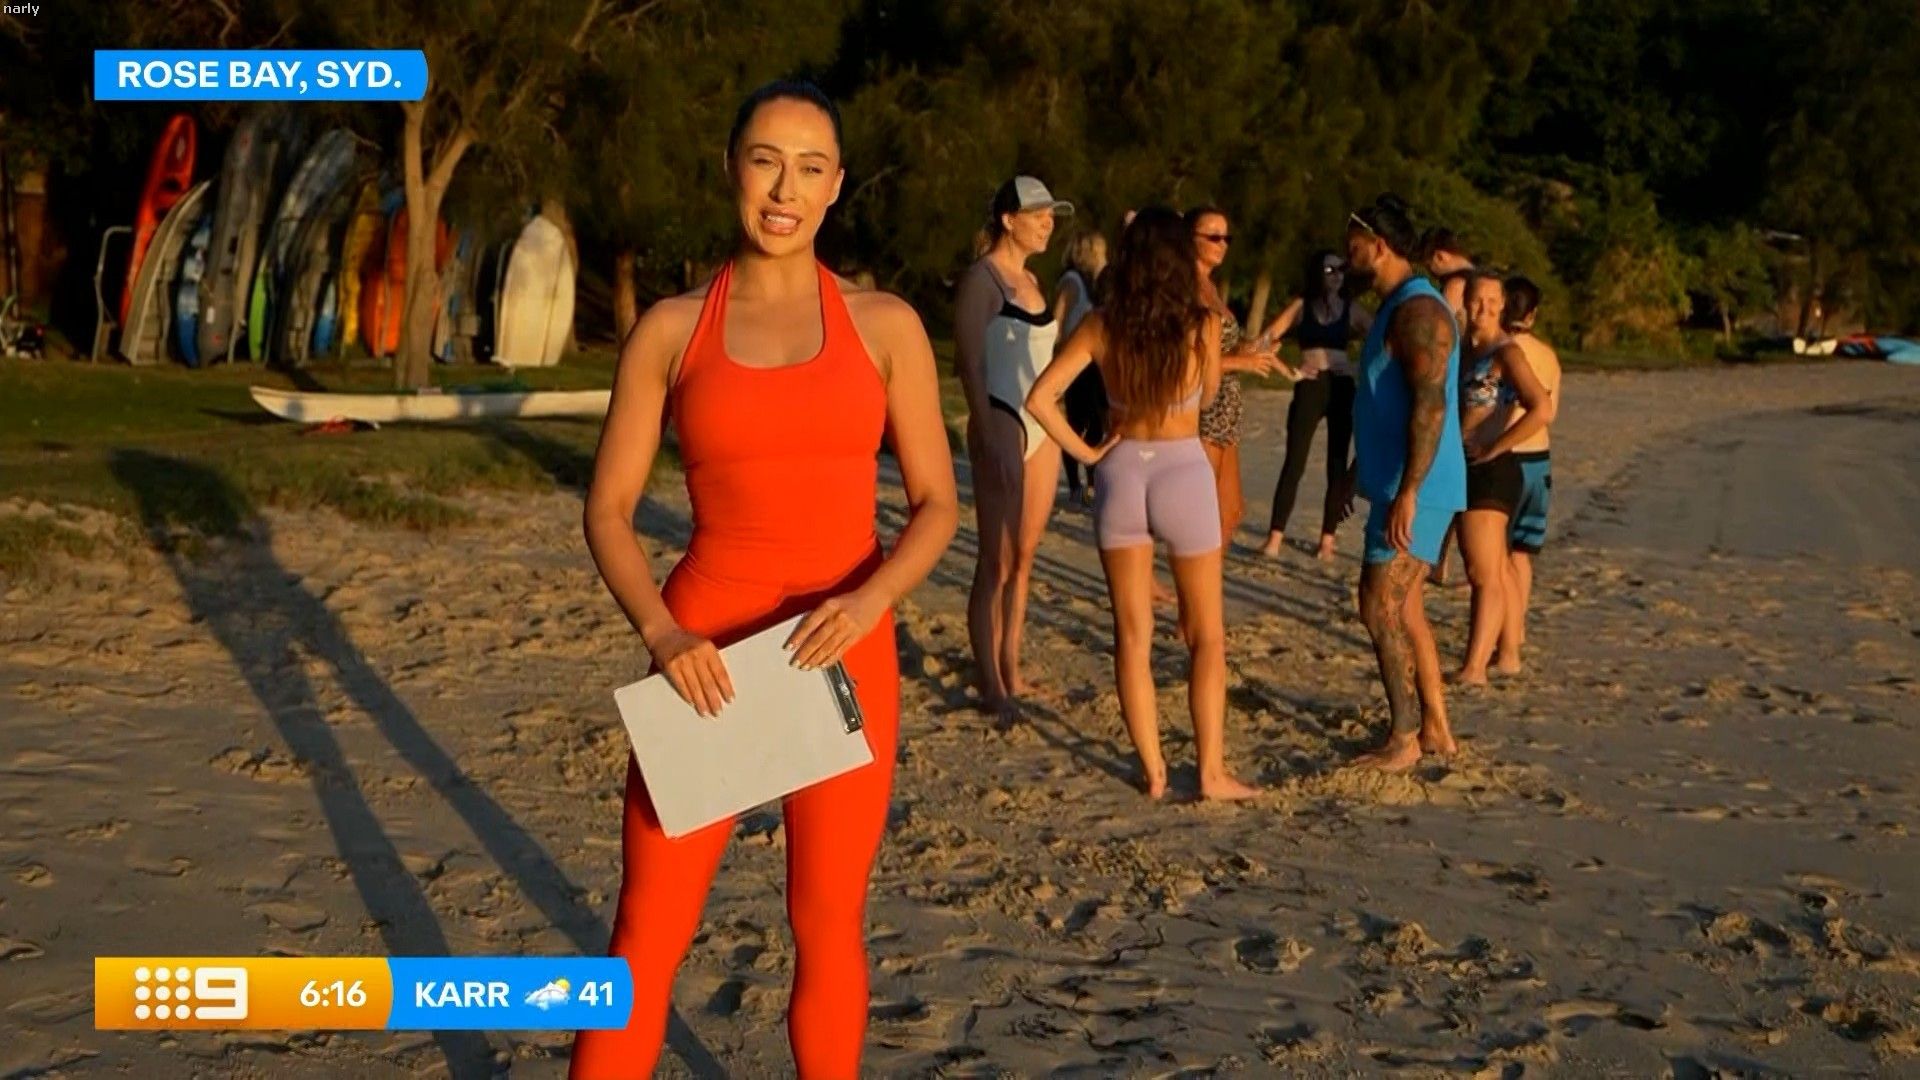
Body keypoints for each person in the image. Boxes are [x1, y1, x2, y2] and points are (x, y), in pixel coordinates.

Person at [572, 80, 959, 1078]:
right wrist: (663, 636)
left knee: (826, 923)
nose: (785, 190)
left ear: (836, 186)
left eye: (810, 168)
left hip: (842, 649)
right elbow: (608, 511)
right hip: (701, 655)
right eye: (766, 161)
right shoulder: (670, 330)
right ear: (731, 169)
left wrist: (870, 600)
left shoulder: (885, 325)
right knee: (645, 933)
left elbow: (936, 505)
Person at [1026, 207, 1261, 801]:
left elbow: (1041, 397)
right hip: (1183, 469)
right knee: (1206, 635)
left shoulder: (1102, 324)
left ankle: (1154, 771)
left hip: (1122, 469)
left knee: (1132, 635)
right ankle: (1210, 771)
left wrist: (1088, 450)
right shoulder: (1202, 324)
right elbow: (1208, 394)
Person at [1337, 195, 1466, 772]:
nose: (1347, 257)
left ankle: (1404, 736)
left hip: (1420, 488)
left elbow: (1430, 407)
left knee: (1377, 604)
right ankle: (1435, 728)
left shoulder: (1419, 311)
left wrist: (1410, 491)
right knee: (1406, 608)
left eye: (1353, 247)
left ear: (1380, 246)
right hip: (1397, 481)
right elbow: (1384, 403)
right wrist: (1353, 474)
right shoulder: (1395, 306)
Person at [956, 175, 1073, 717]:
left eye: (1052, 215)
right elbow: (969, 365)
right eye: (1038, 214)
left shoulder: (1031, 280)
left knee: (1023, 558)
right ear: (1009, 220)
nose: (1048, 223)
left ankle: (1012, 668)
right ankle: (990, 683)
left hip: (1041, 425)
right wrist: (985, 433)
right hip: (1001, 419)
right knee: (995, 560)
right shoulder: (982, 281)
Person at [1452, 272, 1555, 685]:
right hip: (1458, 465)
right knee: (1488, 567)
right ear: (1466, 301)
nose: (1485, 308)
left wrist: (1496, 445)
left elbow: (1542, 408)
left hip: (1492, 469)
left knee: (1485, 573)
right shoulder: (1462, 349)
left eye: (1493, 301)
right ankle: (1501, 655)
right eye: (1478, 299)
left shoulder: (1505, 353)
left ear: (1503, 306)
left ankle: (1475, 667)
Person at [1257, 249, 1374, 560]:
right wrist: (1288, 371)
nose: (1335, 276)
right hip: (1309, 384)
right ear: (1317, 273)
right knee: (1294, 461)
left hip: (1341, 386)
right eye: (1329, 270)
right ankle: (1274, 537)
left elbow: (1384, 338)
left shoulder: (1352, 309)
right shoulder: (1302, 305)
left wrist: (1357, 367)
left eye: (1340, 270)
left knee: (1336, 462)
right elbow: (1265, 339)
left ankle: (1327, 540)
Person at [1187, 205, 1287, 549]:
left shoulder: (1210, 285)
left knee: (1231, 511)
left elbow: (1220, 346)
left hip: (1226, 407)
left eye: (1226, 237)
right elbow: (1188, 361)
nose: (1222, 244)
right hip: (1204, 406)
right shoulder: (1185, 288)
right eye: (1213, 236)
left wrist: (1253, 349)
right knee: (1208, 514)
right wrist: (1242, 363)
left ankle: (1207, 575)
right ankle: (1199, 577)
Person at [1494, 275, 1560, 671]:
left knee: (1498, 559)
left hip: (1508, 458)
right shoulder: (1548, 356)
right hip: (1540, 461)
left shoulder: (1501, 351)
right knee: (1522, 554)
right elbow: (1552, 411)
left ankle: (1506, 646)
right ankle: (1516, 630)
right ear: (1533, 315)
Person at [1053, 230, 1110, 507]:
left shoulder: (1094, 285)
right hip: (1075, 363)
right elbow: (1057, 321)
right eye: (1101, 252)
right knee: (1076, 423)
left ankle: (1091, 482)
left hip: (1092, 364)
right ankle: (1076, 484)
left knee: (1096, 423)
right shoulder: (1072, 281)